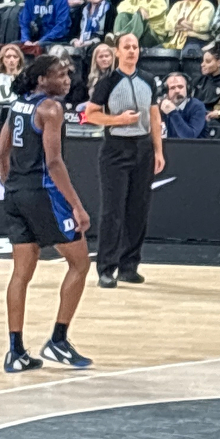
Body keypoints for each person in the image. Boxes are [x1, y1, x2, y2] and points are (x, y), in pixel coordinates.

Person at [0, 55, 92, 373]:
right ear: (41, 80)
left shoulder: (17, 105)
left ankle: (15, 351)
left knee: (21, 274)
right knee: (80, 263)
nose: (66, 80)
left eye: (67, 75)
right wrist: (77, 205)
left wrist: (11, 184)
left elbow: (1, 154)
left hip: (15, 193)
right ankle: (58, 341)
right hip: (43, 193)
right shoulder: (50, 109)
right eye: (60, 75)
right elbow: (54, 162)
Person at [80, 28, 164, 288]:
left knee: (138, 210)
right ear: (117, 52)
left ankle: (129, 266)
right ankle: (106, 268)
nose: (131, 51)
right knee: (113, 211)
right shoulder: (107, 81)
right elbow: (90, 114)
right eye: (126, 47)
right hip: (116, 149)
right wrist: (118, 120)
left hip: (143, 148)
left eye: (135, 47)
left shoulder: (148, 80)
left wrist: (158, 150)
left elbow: (154, 116)